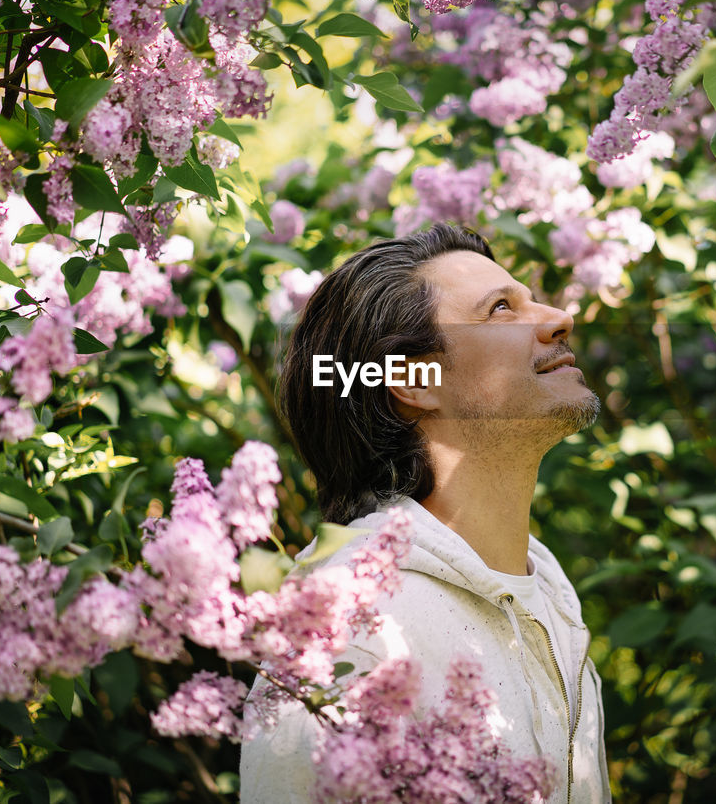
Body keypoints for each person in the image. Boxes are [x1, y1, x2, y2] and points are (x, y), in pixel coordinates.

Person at [239, 223, 610, 803]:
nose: (558, 315)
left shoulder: (554, 601)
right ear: (413, 380)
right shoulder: (344, 634)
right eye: (500, 310)